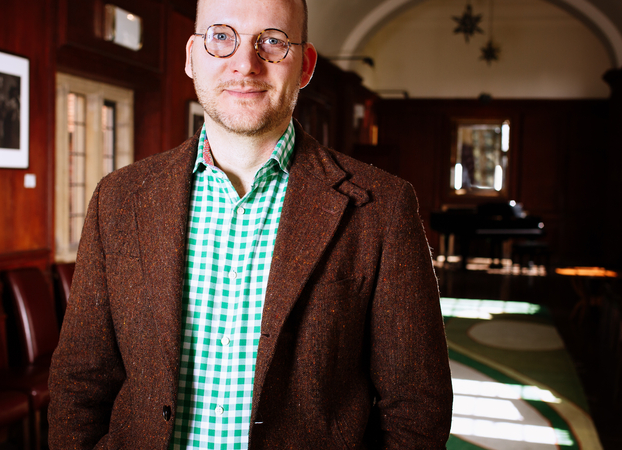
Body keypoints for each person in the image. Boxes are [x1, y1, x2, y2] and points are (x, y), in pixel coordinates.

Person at [48, 0, 453, 448]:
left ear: (305, 65)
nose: (245, 64)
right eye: (221, 37)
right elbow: (79, 382)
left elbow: (418, 405)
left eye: (272, 42)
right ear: (190, 56)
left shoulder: (381, 207)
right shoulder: (118, 200)